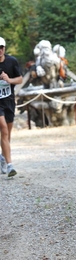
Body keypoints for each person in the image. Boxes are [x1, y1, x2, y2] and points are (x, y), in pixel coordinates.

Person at [0, 37, 22, 177]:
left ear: (4, 48)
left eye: (1, 47)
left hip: (9, 101)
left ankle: (2, 158)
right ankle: (10, 165)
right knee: (4, 130)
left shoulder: (11, 61)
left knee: (7, 134)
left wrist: (9, 80)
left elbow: (20, 79)